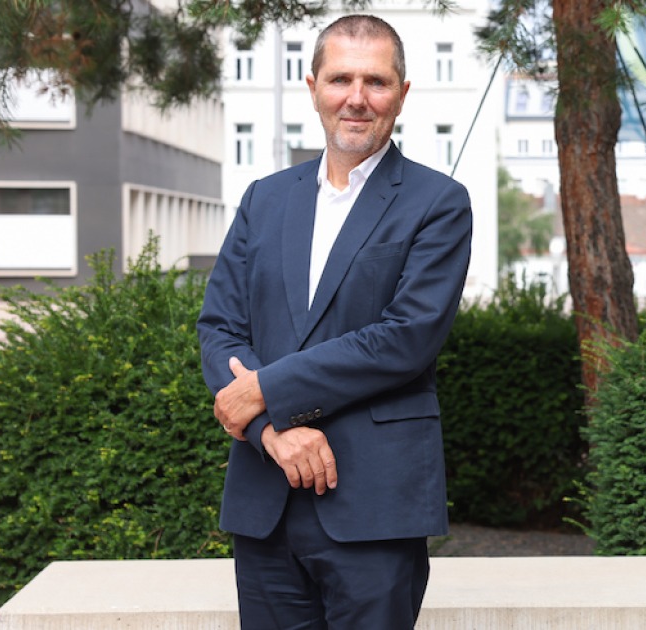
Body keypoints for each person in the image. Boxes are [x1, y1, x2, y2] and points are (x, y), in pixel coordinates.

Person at [197, 14, 472, 629]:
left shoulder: (438, 203)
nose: (357, 97)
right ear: (313, 87)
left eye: (376, 81)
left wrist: (268, 392)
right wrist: (270, 430)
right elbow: (220, 328)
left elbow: (406, 338)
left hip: (373, 505)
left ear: (402, 93)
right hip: (265, 498)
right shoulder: (265, 198)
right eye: (340, 79)